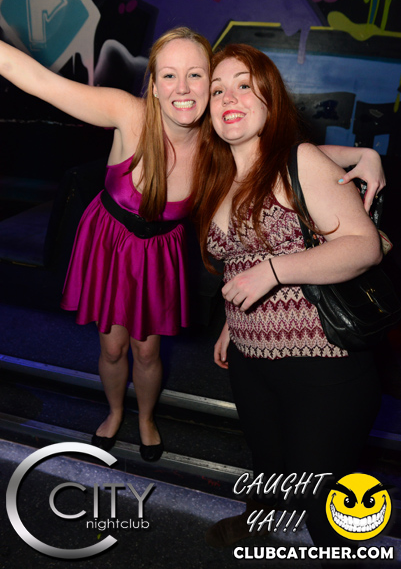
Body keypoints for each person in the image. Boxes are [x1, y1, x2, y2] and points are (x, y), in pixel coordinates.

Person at [0, 29, 385, 464]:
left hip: (156, 251)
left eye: (195, 75)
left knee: (147, 350)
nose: (182, 88)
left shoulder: (216, 143)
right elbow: (38, 80)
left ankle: (146, 419)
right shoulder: (130, 114)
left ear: (208, 83)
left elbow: (280, 153)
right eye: (169, 75)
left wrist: (360, 155)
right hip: (109, 241)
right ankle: (114, 412)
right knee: (112, 347)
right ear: (153, 86)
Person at [192, 43, 383, 554]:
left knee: (322, 499)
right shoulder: (220, 173)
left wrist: (272, 273)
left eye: (244, 85)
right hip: (251, 359)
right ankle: (259, 522)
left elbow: (363, 247)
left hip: (323, 364)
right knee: (268, 463)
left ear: (270, 99)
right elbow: (241, 259)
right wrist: (234, 319)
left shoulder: (297, 160)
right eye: (217, 90)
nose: (228, 98)